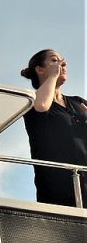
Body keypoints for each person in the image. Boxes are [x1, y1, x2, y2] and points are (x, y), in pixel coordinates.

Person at [20, 49, 87, 207]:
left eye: (62, 60)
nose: (63, 64)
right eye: (54, 60)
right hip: (58, 187)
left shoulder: (78, 102)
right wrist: (53, 76)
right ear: (40, 69)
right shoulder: (32, 101)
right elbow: (42, 106)